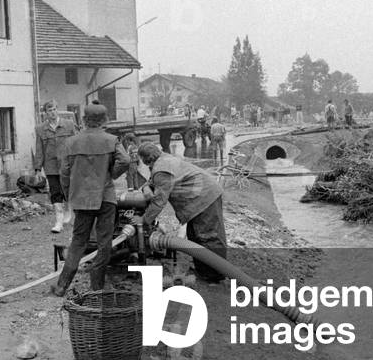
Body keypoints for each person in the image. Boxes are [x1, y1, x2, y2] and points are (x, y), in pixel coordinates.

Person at [50, 104, 130, 296]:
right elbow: (125, 161)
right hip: (106, 198)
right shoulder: (112, 140)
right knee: (104, 243)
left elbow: (64, 174)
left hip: (82, 199)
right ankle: (97, 287)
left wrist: (71, 195)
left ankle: (62, 286)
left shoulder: (71, 142)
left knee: (78, 241)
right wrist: (111, 174)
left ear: (84, 120)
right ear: (105, 120)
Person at [138, 143, 228, 283]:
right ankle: (204, 271)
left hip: (204, 196)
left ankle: (215, 275)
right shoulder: (163, 159)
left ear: (144, 159)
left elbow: (159, 202)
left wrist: (143, 221)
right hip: (199, 195)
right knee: (194, 236)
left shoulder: (161, 169)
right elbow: (152, 181)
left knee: (208, 236)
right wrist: (146, 188)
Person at [34, 100, 78, 233]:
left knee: (69, 191)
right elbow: (39, 149)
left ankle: (69, 212)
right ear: (45, 113)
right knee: (55, 192)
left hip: (67, 165)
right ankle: (58, 221)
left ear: (57, 110)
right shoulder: (41, 129)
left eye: (54, 109)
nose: (52, 112)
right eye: (49, 110)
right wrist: (37, 169)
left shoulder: (69, 125)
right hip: (51, 166)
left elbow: (76, 144)